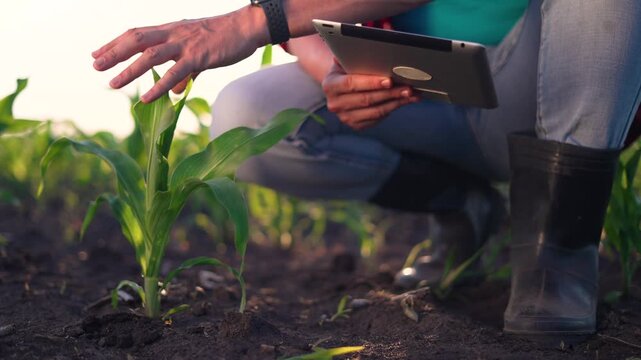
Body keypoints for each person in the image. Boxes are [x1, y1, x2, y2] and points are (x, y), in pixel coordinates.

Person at [92, 0, 641, 337]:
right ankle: (463, 206)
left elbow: (276, 11)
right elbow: (300, 17)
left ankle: (559, 251)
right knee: (247, 117)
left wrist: (257, 19)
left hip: (550, 87)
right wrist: (334, 73)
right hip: (421, 82)